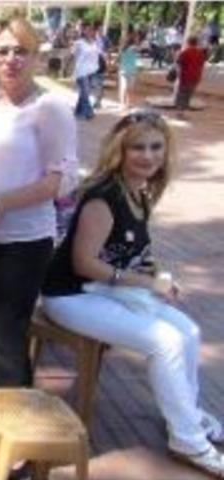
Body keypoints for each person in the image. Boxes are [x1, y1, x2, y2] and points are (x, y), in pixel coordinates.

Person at [41, 110, 224, 476]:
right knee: (166, 342)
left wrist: (156, 272)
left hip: (103, 290)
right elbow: (84, 263)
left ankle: (185, 414)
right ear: (119, 152)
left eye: (156, 146)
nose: (148, 155)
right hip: (70, 295)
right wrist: (144, 283)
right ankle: (187, 439)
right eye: (137, 148)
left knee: (188, 332)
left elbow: (131, 251)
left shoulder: (139, 190)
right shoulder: (103, 196)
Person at [0, 17, 72, 389]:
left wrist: (0, 204)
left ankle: (14, 429)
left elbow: (60, 181)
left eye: (21, 51)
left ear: (36, 57)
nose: (11, 59)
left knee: (5, 336)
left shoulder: (50, 109)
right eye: (2, 51)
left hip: (24, 243)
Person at [72, 21, 101, 120]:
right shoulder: (78, 43)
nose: (90, 31)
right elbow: (73, 56)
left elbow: (98, 55)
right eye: (87, 30)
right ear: (83, 31)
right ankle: (89, 112)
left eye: (91, 30)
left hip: (92, 71)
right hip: (82, 71)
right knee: (86, 92)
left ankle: (77, 112)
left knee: (84, 93)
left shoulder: (94, 43)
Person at [174, 36, 207, 120]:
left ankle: (180, 112)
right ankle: (183, 111)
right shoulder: (200, 53)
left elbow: (178, 63)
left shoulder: (185, 52)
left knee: (182, 94)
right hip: (196, 77)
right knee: (188, 94)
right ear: (196, 43)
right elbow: (202, 64)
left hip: (185, 76)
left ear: (188, 42)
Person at [118, 32, 140, 111]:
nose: (138, 40)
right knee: (129, 88)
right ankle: (128, 103)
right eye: (137, 39)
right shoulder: (134, 47)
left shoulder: (122, 49)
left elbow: (119, 59)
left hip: (124, 70)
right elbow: (138, 49)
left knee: (124, 88)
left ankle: (123, 103)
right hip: (131, 70)